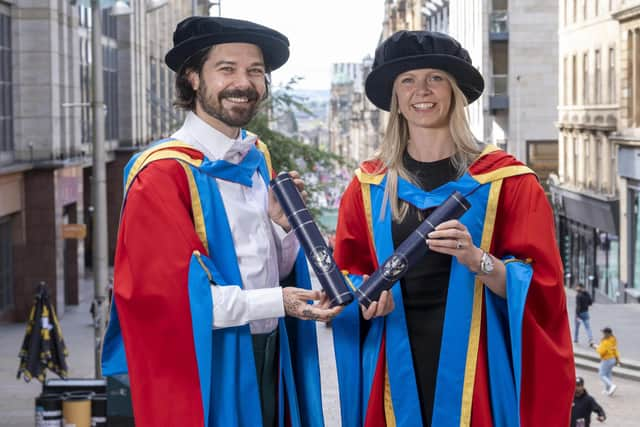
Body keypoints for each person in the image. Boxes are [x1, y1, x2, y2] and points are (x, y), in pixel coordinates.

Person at [100, 16, 341, 427]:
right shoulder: (161, 175)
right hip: (206, 365)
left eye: (255, 71)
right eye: (226, 69)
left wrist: (284, 227)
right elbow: (173, 301)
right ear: (193, 78)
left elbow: (272, 269)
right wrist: (278, 302)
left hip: (270, 355)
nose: (243, 83)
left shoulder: (256, 156)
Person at [333, 30, 575, 426]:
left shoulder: (508, 181)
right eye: (407, 80)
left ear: (455, 90)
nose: (421, 90)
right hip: (394, 359)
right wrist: (363, 295)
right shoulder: (368, 186)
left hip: (479, 365)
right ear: (395, 97)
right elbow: (347, 274)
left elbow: (544, 287)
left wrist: (478, 259)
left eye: (435, 78)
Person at [591, 326, 621, 396]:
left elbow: (601, 351)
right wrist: (618, 359)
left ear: (608, 333)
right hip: (613, 359)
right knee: (608, 374)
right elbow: (615, 350)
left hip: (606, 359)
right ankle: (608, 390)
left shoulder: (605, 341)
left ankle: (611, 386)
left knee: (601, 375)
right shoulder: (613, 339)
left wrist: (595, 347)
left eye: (604, 332)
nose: (603, 334)